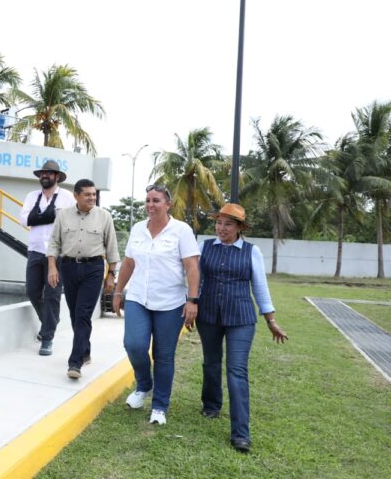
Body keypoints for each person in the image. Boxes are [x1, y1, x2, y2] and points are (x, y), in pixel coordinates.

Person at [195, 203, 288, 453]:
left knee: (237, 371)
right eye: (218, 223)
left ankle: (240, 434)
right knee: (211, 362)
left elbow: (260, 287)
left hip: (241, 318)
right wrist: (191, 304)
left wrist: (271, 320)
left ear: (239, 228)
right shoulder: (204, 247)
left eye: (228, 224)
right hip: (208, 315)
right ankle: (212, 405)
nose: (221, 228)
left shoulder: (251, 251)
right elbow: (195, 280)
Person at [112, 184, 200, 426]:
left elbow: (192, 266)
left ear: (168, 204)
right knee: (134, 344)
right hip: (138, 298)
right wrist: (119, 290)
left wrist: (192, 300)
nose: (150, 204)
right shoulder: (138, 229)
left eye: (156, 200)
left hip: (171, 303)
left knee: (164, 355)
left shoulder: (181, 230)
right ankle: (144, 385)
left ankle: (160, 406)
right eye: (148, 200)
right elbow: (129, 262)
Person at [47, 178, 119, 379]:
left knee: (82, 313)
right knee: (74, 313)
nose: (92, 198)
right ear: (76, 195)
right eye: (87, 194)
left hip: (94, 268)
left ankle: (75, 362)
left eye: (94, 194)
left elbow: (112, 247)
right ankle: (85, 350)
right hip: (68, 267)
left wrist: (111, 275)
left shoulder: (104, 216)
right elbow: (54, 244)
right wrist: (52, 267)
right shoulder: (63, 216)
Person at [19, 160, 76, 356]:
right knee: (33, 291)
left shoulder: (67, 197)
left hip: (58, 253)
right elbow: (24, 220)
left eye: (49, 173)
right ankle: (50, 322)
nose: (44, 176)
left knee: (52, 294)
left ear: (57, 177)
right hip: (35, 250)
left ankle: (47, 338)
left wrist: (39, 217)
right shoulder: (32, 196)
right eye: (42, 173)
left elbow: (70, 221)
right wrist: (50, 217)